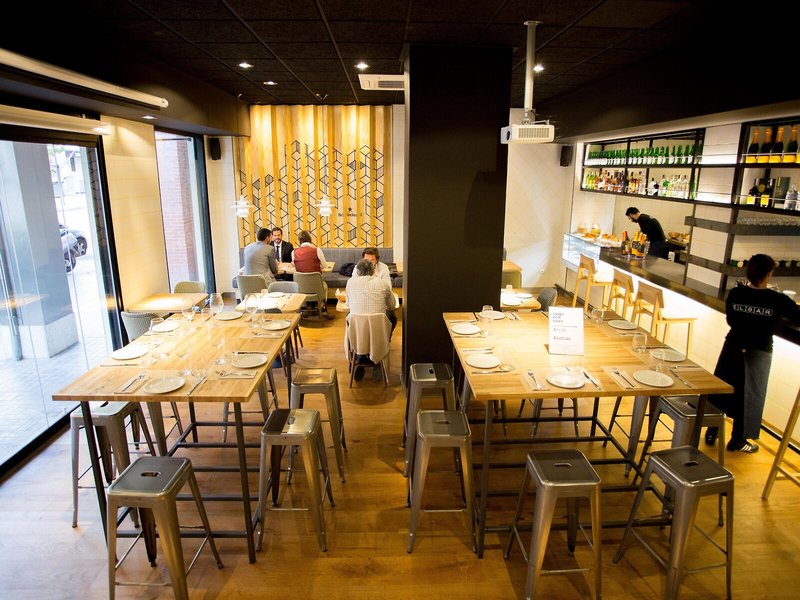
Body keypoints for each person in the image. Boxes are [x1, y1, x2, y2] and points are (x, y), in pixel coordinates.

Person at [707, 254, 800, 453]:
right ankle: (738, 441)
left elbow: (731, 320)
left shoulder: (736, 293)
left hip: (732, 346)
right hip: (758, 351)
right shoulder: (777, 299)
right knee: (749, 396)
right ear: (769, 274)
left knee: (722, 389)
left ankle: (711, 430)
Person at [346, 259, 397, 381]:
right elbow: (392, 305)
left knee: (351, 318)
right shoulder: (383, 284)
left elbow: (348, 304)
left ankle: (360, 355)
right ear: (374, 270)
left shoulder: (350, 283)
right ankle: (379, 353)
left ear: (357, 272)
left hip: (357, 328)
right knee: (393, 318)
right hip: (378, 327)